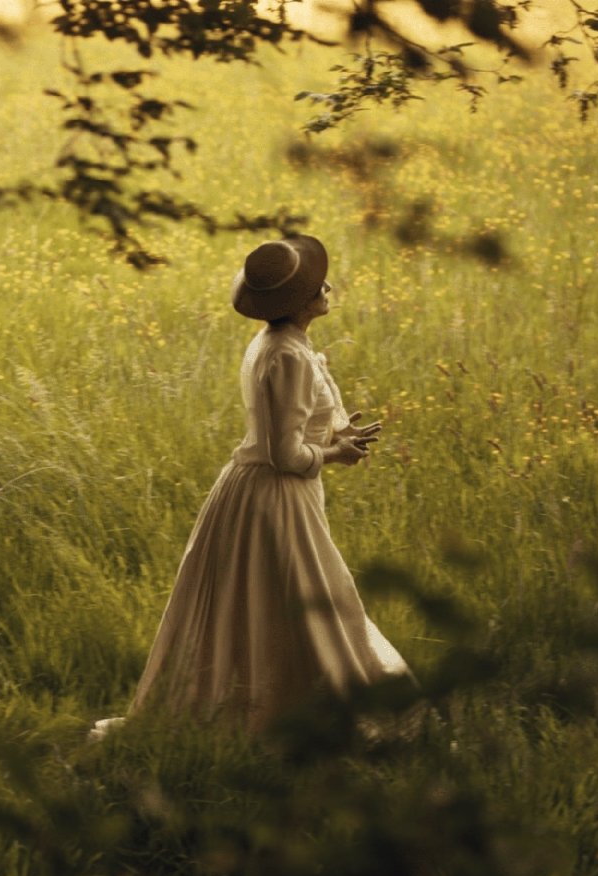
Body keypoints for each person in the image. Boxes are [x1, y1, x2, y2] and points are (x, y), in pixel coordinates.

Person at [97, 235, 411, 737]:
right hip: (274, 499)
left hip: (265, 492)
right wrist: (336, 453)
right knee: (309, 599)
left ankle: (284, 703)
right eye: (314, 286)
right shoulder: (286, 355)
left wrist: (336, 433)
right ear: (296, 304)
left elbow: (291, 425)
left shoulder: (284, 346)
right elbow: (283, 454)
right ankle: (313, 713)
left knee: (267, 604)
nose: (326, 287)